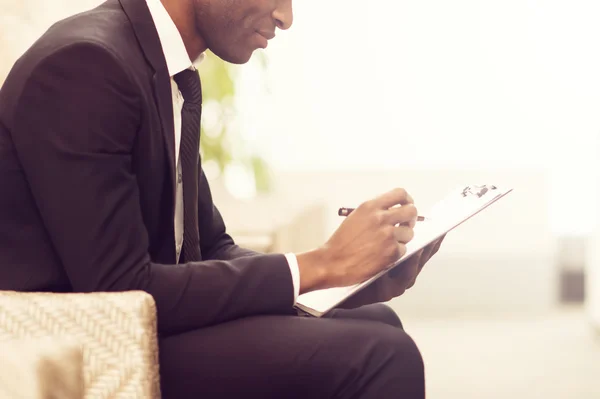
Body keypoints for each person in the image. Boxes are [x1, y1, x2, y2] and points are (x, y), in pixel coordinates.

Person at [0, 0, 444, 397]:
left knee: (377, 321)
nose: (286, 17)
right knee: (382, 354)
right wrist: (321, 264)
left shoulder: (157, 67)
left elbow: (208, 249)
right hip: (89, 345)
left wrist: (343, 282)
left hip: (140, 321)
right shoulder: (86, 66)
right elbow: (118, 288)